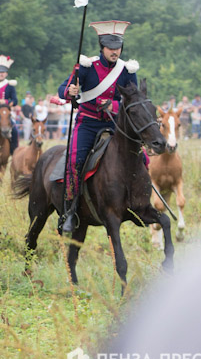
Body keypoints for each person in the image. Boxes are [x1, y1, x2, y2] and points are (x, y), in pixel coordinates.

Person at [57, 20, 139, 234]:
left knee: (141, 157)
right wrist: (70, 92)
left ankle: (140, 200)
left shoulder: (127, 71)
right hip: (88, 123)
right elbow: (63, 88)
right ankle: (71, 209)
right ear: (102, 47)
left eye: (118, 47)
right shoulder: (87, 67)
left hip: (115, 125)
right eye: (111, 48)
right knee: (75, 161)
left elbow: (134, 102)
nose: (115, 51)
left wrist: (112, 105)